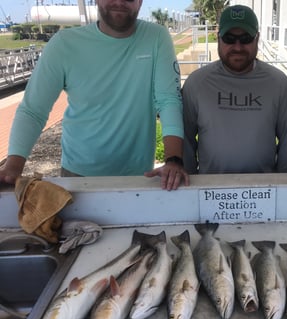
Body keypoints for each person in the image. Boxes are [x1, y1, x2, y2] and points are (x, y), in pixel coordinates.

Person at [0, 0, 189, 190]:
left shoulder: (156, 37)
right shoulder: (64, 44)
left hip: (139, 176)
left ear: (140, 2)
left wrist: (173, 160)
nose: (120, 2)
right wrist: (13, 166)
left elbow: (168, 100)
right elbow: (33, 110)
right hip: (77, 175)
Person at [182, 5, 287, 174]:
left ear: (257, 39)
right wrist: (190, 186)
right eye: (229, 38)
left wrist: (284, 186)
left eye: (245, 39)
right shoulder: (197, 83)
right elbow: (186, 141)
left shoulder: (278, 83)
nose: (237, 47)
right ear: (218, 38)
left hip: (264, 191)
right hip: (209, 191)